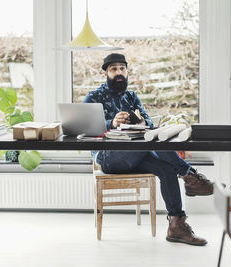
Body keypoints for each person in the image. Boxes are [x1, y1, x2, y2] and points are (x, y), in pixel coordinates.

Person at [84, 53, 214, 246]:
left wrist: (142, 121)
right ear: (105, 74)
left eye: (122, 68)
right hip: (109, 157)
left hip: (137, 152)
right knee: (152, 142)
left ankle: (176, 226)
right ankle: (190, 175)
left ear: (127, 72)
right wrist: (111, 122)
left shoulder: (131, 96)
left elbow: (149, 122)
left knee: (167, 168)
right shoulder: (94, 97)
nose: (119, 73)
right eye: (113, 69)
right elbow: (85, 127)